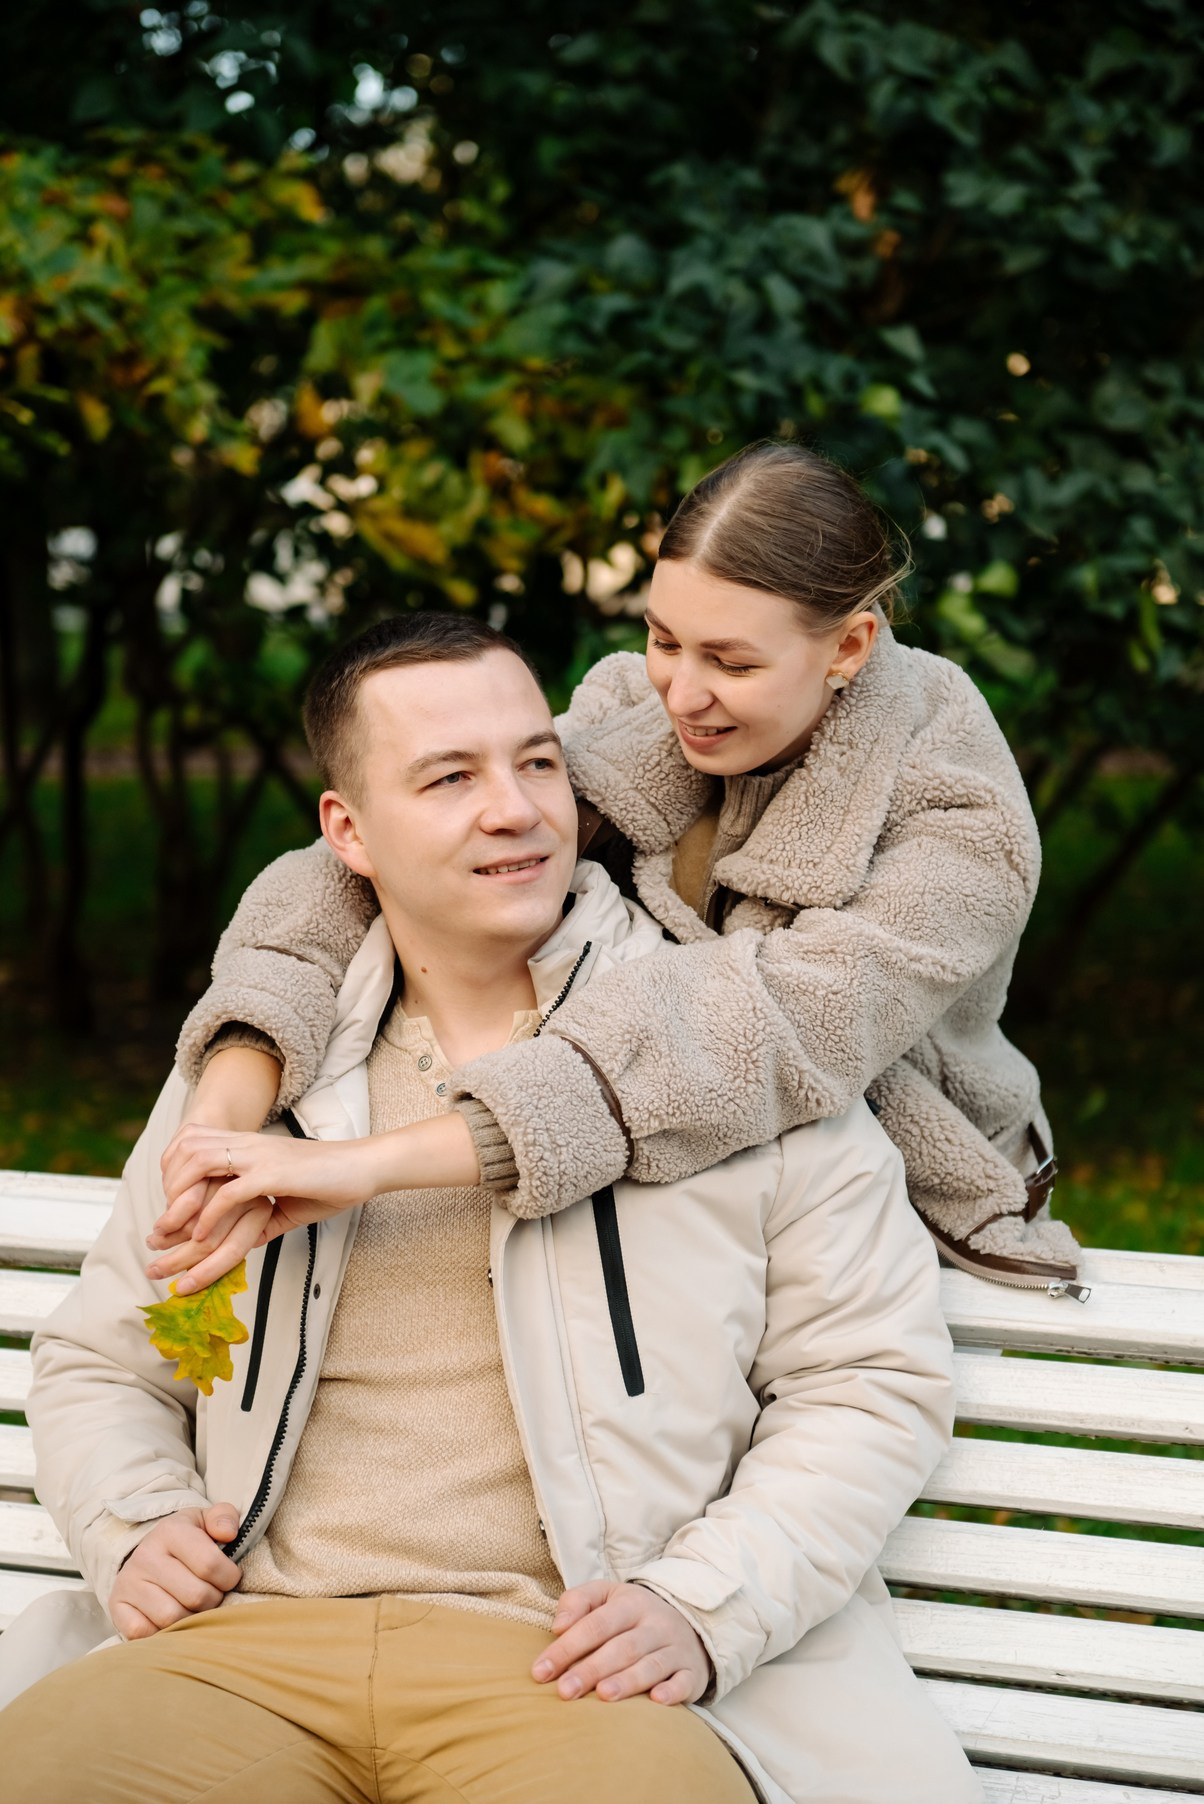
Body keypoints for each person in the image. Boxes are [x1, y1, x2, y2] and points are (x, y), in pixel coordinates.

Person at [0, 615, 978, 1803]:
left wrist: (698, 1602)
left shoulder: (722, 1046)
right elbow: (108, 1356)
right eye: (449, 778)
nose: (514, 810)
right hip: (239, 1645)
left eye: (537, 762)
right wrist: (136, 1521)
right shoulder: (261, 1075)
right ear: (347, 832)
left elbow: (867, 1377)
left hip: (576, 1667)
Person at [162, 440, 1079, 1296]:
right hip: (679, 1187)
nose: (682, 693)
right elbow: (376, 861)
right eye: (665, 640)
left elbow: (761, 1032)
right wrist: (231, 1088)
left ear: (848, 647)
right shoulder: (631, 710)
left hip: (908, 1216)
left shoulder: (960, 824)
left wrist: (370, 1163)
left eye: (732, 663)